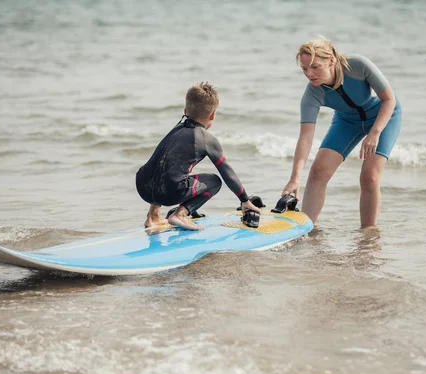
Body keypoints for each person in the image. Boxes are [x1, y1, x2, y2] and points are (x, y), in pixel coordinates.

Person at [281, 36, 402, 228]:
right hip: (347, 121)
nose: (309, 74)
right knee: (318, 171)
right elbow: (305, 137)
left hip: (383, 116)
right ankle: (306, 231)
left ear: (331, 60)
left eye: (315, 67)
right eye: (304, 69)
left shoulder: (357, 66)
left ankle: (368, 236)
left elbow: (389, 100)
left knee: (369, 175)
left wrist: (375, 132)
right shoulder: (313, 93)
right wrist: (295, 178)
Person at [136, 82, 261, 231]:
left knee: (163, 166)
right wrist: (245, 200)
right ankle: (180, 215)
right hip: (168, 193)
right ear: (213, 115)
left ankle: (153, 216)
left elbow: (161, 164)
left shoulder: (176, 128)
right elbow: (227, 172)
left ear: (185, 110)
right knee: (214, 181)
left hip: (142, 185)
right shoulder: (206, 139)